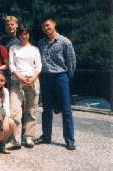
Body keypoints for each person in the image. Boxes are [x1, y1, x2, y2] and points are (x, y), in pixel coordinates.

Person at [37, 17, 76, 150]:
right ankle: (46, 136)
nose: (46, 28)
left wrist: (66, 77)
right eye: (43, 26)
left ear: (54, 24)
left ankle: (70, 140)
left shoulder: (65, 42)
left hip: (61, 77)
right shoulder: (41, 43)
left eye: (47, 25)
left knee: (66, 109)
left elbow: (71, 62)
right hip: (46, 78)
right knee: (46, 109)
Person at [7, 24, 42, 150]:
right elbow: (11, 65)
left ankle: (29, 137)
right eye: (21, 33)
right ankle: (15, 140)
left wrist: (32, 78)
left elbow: (38, 66)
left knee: (31, 110)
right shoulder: (13, 48)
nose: (24, 36)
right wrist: (20, 77)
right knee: (15, 110)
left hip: (32, 81)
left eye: (26, 33)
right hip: (17, 81)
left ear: (29, 35)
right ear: (19, 35)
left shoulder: (35, 49)